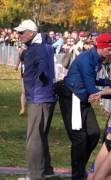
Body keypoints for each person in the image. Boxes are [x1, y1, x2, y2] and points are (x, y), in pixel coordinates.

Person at [57, 33, 111, 180]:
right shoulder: (86, 59)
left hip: (83, 98)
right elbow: (92, 90)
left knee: (94, 133)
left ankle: (80, 166)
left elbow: (93, 79)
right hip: (72, 97)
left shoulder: (98, 58)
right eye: (109, 49)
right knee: (80, 140)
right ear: (101, 48)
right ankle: (77, 175)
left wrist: (108, 83)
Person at [15, 19, 56, 180]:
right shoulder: (42, 46)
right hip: (44, 96)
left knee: (33, 139)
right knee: (40, 135)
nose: (19, 35)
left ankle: (34, 175)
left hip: (39, 97)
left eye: (21, 32)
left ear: (31, 33)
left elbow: (42, 65)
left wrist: (42, 74)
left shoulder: (36, 48)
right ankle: (46, 170)